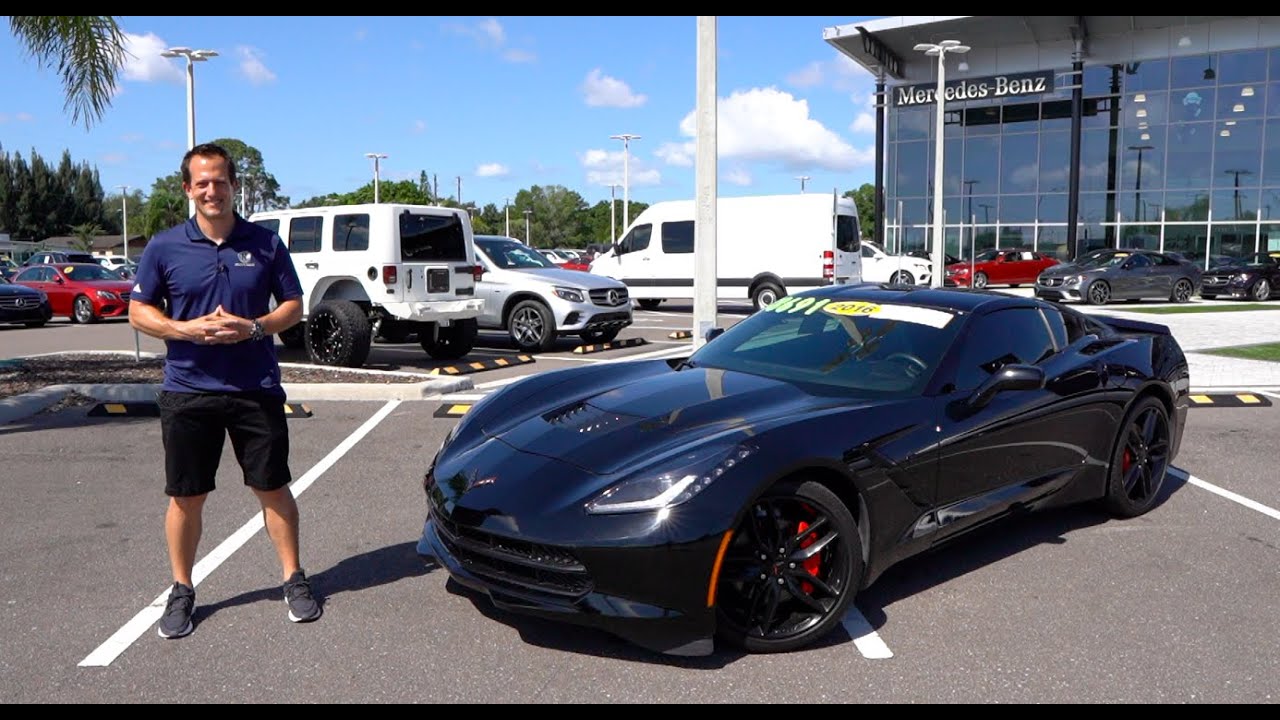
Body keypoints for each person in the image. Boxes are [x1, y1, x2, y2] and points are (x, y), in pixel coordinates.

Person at [128, 142, 319, 639]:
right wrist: (185, 330)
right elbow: (138, 311)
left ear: (235, 185)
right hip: (188, 391)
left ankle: (293, 579)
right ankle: (181, 589)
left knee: (272, 487)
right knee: (186, 496)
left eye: (221, 181)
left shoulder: (266, 243)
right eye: (202, 182)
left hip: (254, 388)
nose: (212, 190)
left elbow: (293, 306)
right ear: (189, 189)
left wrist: (254, 328)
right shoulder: (164, 247)